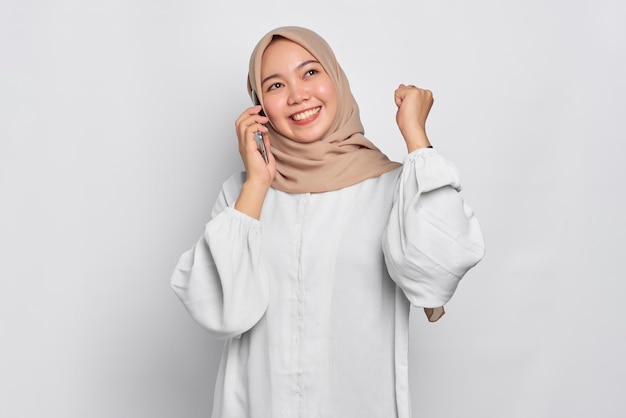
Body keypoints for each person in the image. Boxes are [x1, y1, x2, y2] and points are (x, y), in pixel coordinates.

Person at [171, 26, 485, 418]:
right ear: (258, 107)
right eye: (274, 85)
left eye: (310, 73)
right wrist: (256, 186)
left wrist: (417, 139)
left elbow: (436, 274)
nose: (297, 95)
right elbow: (222, 312)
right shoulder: (241, 197)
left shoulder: (393, 188)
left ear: (336, 79)